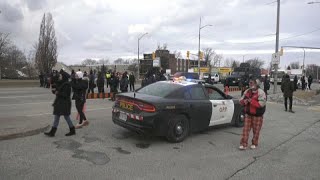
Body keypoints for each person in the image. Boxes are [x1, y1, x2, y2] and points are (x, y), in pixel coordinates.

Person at [44, 71, 75, 137]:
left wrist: (57, 93)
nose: (59, 76)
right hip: (59, 103)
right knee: (57, 117)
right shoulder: (61, 83)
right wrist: (54, 90)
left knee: (66, 117)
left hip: (65, 103)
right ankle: (52, 132)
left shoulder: (67, 85)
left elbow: (66, 95)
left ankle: (72, 130)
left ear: (64, 77)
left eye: (61, 75)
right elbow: (56, 88)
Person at [239, 79, 267, 150]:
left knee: (256, 130)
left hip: (257, 115)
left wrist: (251, 101)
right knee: (245, 129)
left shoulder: (261, 92)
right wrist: (244, 101)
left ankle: (254, 143)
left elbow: (261, 104)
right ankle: (243, 144)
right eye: (250, 83)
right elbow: (241, 101)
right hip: (248, 114)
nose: (251, 84)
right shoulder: (247, 91)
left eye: (252, 83)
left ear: (257, 84)